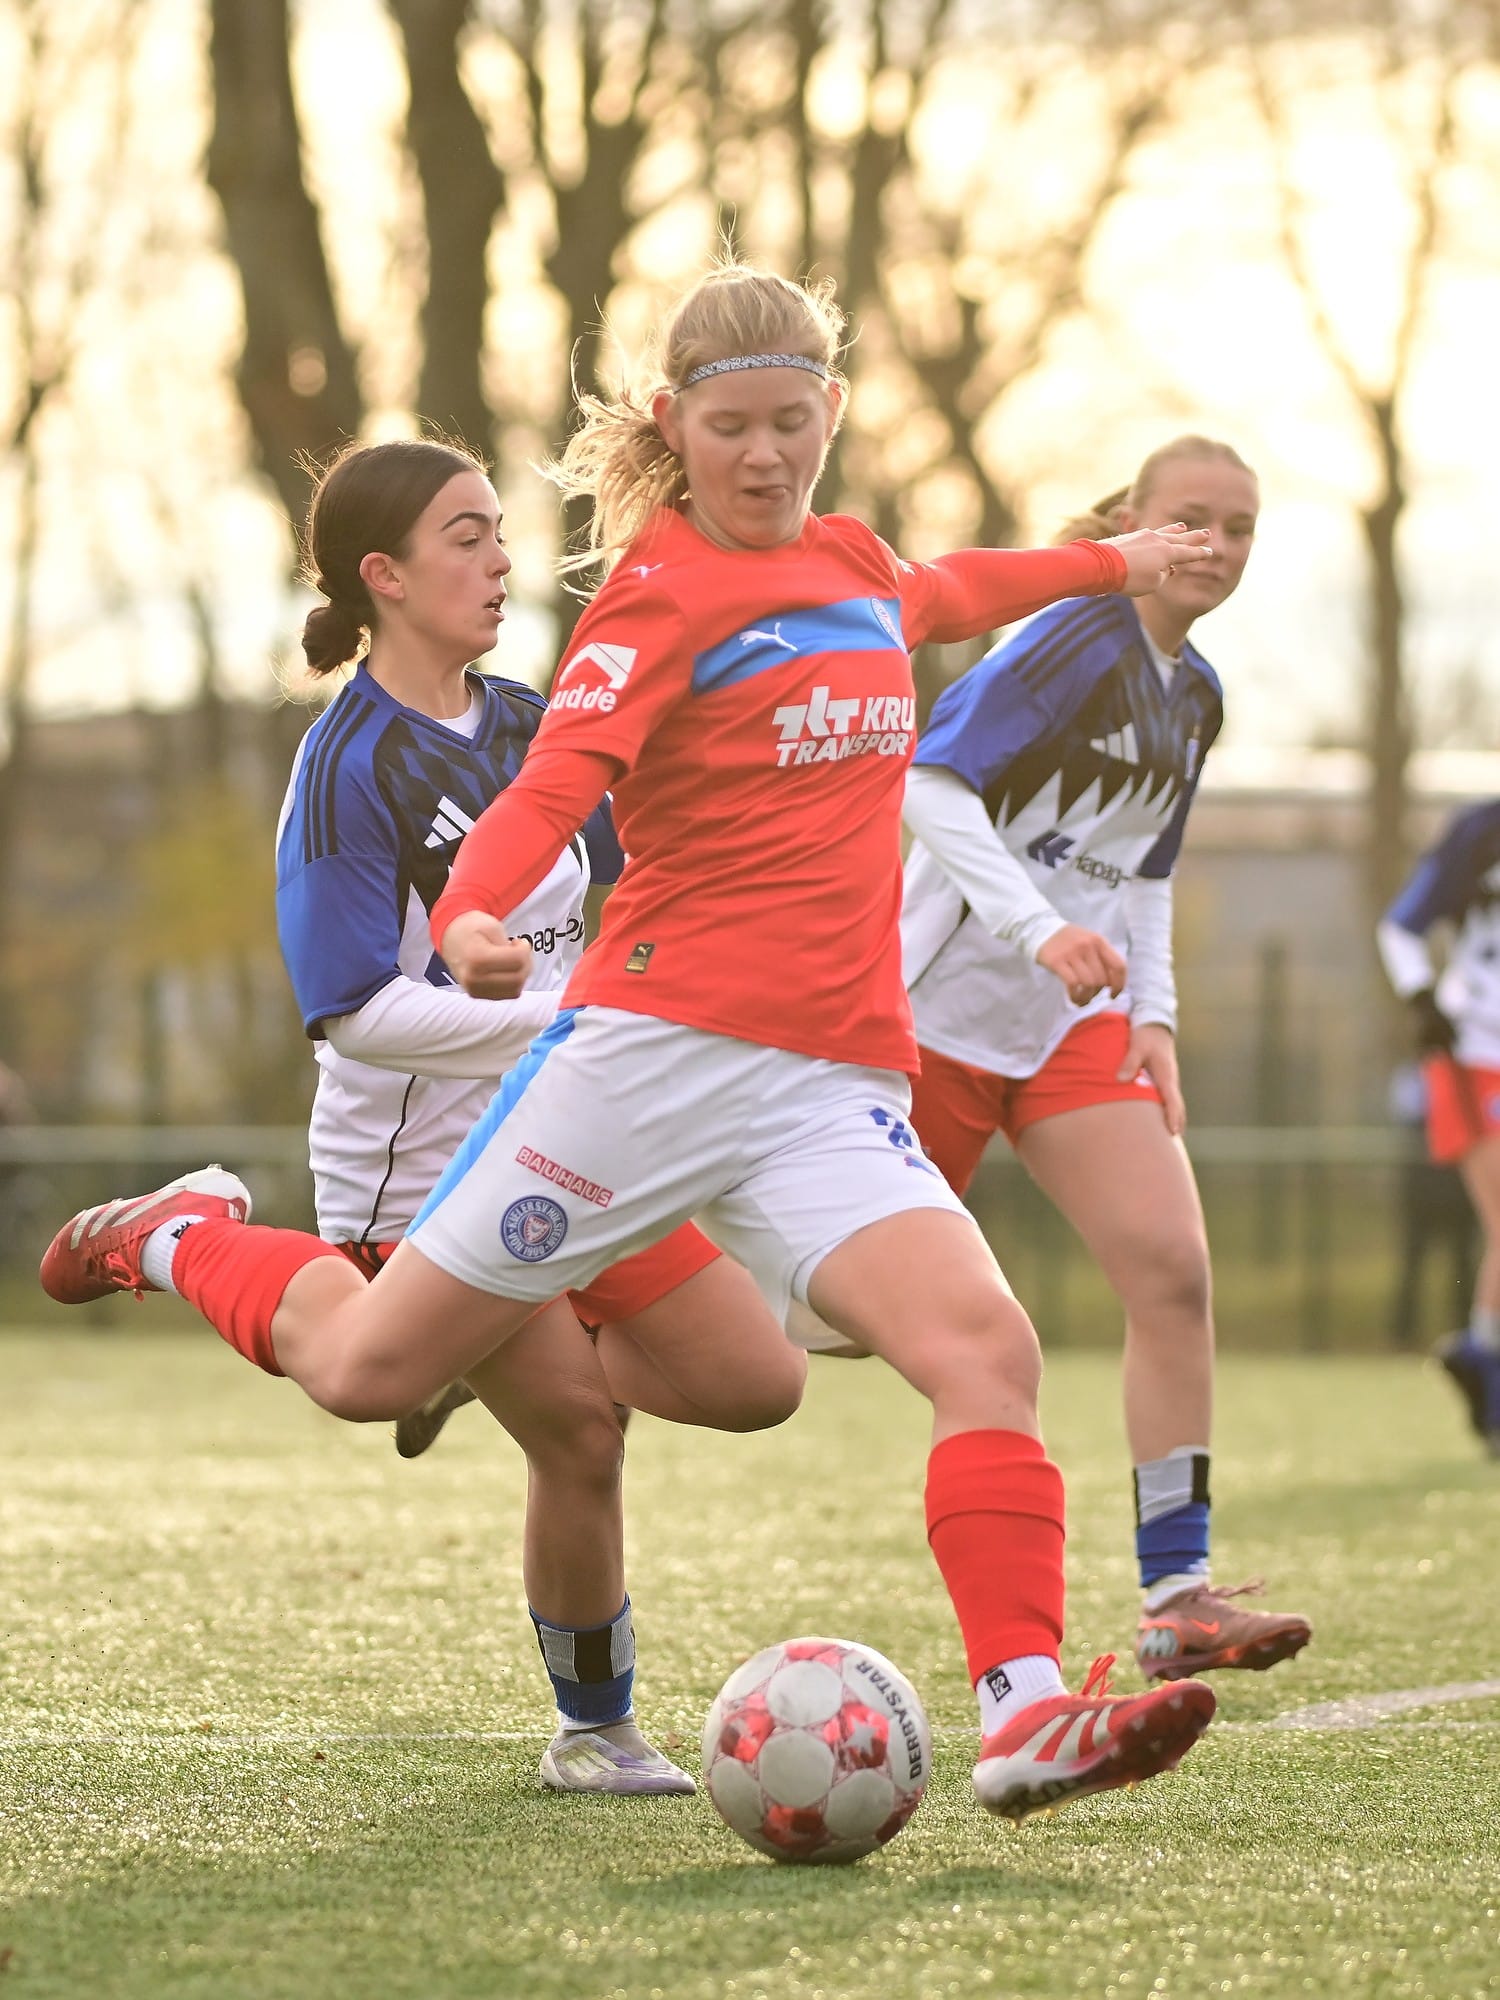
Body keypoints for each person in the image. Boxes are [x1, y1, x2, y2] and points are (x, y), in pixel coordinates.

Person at [42, 261, 1221, 1824]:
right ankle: (188, 1237)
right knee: (366, 1365)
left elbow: (948, 589)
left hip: (823, 1087)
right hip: (645, 1064)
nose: (760, 457)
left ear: (831, 416)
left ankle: (1024, 1710)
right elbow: (548, 784)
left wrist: (1108, 557)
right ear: (676, 422)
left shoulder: (856, 561)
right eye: (728, 427)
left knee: (978, 1352)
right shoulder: (657, 599)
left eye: (789, 424)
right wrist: (472, 911)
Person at [896, 437, 1312, 1683]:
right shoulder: (1074, 635)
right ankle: (554, 1318)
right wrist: (1038, 929)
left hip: (1072, 1027)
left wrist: (1158, 1018)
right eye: (1191, 521)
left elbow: (1143, 870)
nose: (1216, 548)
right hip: (927, 1019)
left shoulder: (1198, 694)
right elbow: (931, 784)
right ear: (1132, 521)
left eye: (1239, 529)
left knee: (1173, 1269)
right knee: (815, 1329)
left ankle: (1177, 1592)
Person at [1378, 799, 1500, 1455]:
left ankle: (1482, 1354)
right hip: (1477, 1052)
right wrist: (1421, 998)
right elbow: (1401, 927)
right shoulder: (1480, 831)